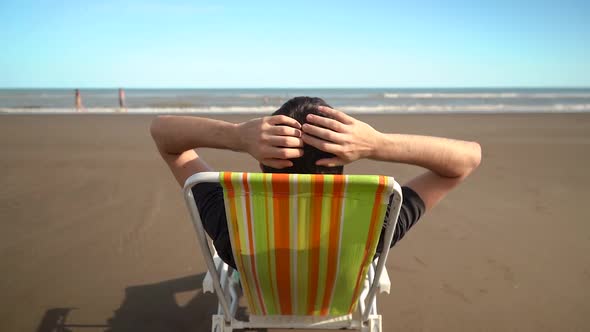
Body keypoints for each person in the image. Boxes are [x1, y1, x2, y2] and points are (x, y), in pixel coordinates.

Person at [150, 97, 481, 268]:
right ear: (340, 163)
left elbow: (164, 137)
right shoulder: (371, 228)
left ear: (265, 162)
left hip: (264, 288)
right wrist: (377, 144)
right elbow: (467, 160)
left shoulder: (232, 223)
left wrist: (236, 135)